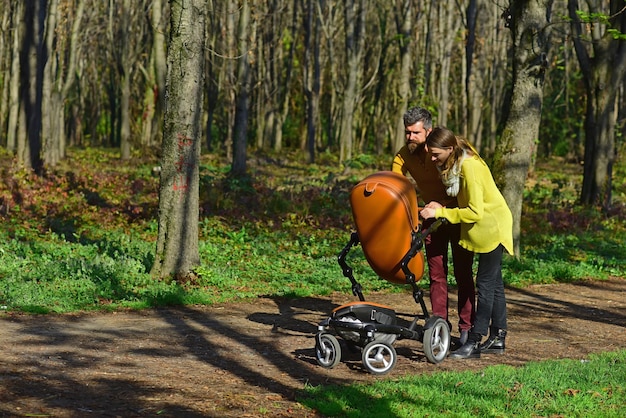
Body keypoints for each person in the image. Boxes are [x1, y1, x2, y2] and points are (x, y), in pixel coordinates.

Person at [420, 126, 513, 359]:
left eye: (435, 154)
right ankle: (498, 337)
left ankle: (474, 341)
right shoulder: (458, 160)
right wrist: (440, 207)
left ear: (449, 148)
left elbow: (474, 212)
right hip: (487, 226)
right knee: (495, 284)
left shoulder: (468, 167)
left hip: (493, 227)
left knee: (485, 285)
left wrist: (441, 214)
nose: (432, 159)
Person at [392, 107, 475, 345]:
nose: (410, 138)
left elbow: (467, 179)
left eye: (415, 133)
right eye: (407, 133)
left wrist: (444, 205)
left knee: (463, 273)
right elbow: (395, 184)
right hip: (431, 217)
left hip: (457, 214)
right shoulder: (403, 155)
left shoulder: (446, 149)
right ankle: (440, 326)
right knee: (437, 274)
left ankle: (467, 327)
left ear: (428, 131)